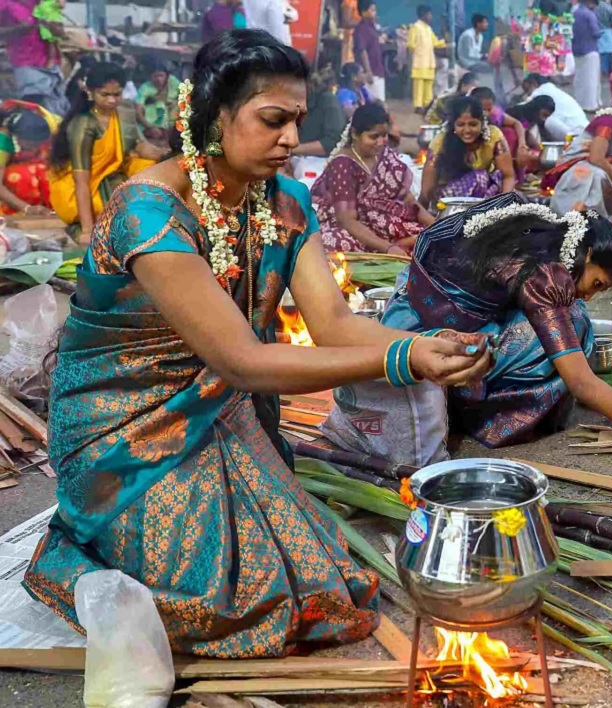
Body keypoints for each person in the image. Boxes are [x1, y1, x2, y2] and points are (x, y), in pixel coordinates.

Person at [22, 29, 495, 658]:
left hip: (221, 408)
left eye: (297, 120)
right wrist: (406, 358)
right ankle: (78, 543)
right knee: (232, 602)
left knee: (324, 589)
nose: (293, 139)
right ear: (213, 115)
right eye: (274, 121)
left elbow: (334, 323)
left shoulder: (285, 201)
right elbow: (242, 362)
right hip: (125, 426)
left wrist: (427, 344)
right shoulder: (147, 215)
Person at [343, 193, 612, 475]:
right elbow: (583, 384)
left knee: (572, 317)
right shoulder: (548, 277)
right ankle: (479, 413)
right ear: (586, 255)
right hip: (427, 341)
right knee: (574, 324)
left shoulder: (539, 222)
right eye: (596, 283)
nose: (590, 294)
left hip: (406, 308)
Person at [48, 63, 163, 240]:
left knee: (152, 169)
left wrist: (169, 155)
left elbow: (140, 145)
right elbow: (81, 180)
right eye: (105, 94)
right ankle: (81, 228)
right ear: (90, 92)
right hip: (84, 186)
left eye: (117, 94)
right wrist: (87, 231)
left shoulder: (125, 111)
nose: (111, 100)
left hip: (115, 176)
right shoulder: (83, 123)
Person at [313, 104, 433, 255]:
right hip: (350, 228)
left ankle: (403, 243)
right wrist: (388, 248)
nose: (381, 142)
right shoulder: (343, 165)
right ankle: (398, 245)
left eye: (384, 135)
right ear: (355, 134)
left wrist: (437, 225)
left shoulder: (384, 156)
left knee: (431, 238)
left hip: (384, 223)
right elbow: (347, 220)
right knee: (334, 243)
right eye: (374, 136)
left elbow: (409, 200)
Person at [544, 85, 612, 221]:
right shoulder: (608, 121)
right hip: (581, 163)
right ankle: (585, 217)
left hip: (605, 163)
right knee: (596, 175)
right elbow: (596, 158)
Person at [420, 96, 515, 204]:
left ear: (482, 123)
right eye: (460, 125)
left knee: (494, 179)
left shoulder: (494, 136)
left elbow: (508, 176)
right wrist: (421, 210)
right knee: (480, 177)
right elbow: (427, 189)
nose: (467, 130)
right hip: (449, 199)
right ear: (454, 126)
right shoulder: (440, 141)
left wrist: (504, 204)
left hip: (483, 197)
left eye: (473, 124)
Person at [0, 0, 69, 114]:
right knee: (35, 111)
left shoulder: (42, 2)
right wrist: (19, 29)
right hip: (27, 65)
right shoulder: (5, 3)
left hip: (52, 66)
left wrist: (55, 29)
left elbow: (60, 31)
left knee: (58, 112)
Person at [0, 102, 53, 215]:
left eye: (38, 142)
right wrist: (27, 208)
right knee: (21, 174)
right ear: (18, 137)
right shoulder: (2, 142)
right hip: (10, 203)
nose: (34, 146)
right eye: (30, 143)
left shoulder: (51, 125)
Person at [527, 73, 589, 140]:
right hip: (585, 128)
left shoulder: (539, 91)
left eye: (527, 90)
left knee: (547, 120)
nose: (527, 93)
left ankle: (573, 140)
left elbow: (524, 108)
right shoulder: (554, 90)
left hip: (574, 132)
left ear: (533, 83)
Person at [408, 5, 445, 111]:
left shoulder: (429, 29)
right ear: (423, 15)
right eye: (429, 14)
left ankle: (427, 105)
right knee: (419, 85)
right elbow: (411, 44)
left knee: (428, 86)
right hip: (419, 62)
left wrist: (444, 42)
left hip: (429, 62)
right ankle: (418, 106)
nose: (431, 16)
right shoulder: (415, 27)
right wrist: (417, 52)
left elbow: (435, 42)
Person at [135, 61, 181, 147]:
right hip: (154, 121)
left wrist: (175, 102)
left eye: (161, 76)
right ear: (150, 77)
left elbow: (187, 95)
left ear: (166, 76)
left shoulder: (173, 82)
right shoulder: (145, 88)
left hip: (172, 119)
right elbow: (138, 112)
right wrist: (150, 127)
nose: (159, 79)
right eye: (155, 76)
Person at [573, 0, 604, 112]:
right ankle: (591, 105)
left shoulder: (574, 13)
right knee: (591, 78)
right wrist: (602, 32)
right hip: (590, 49)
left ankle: (579, 103)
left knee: (579, 78)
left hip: (576, 49)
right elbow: (595, 32)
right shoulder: (590, 15)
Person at [353, 0, 386, 102]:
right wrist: (368, 71)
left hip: (377, 70)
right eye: (372, 10)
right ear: (363, 12)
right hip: (371, 73)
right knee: (377, 103)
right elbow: (362, 51)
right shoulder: (362, 29)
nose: (375, 13)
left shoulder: (372, 27)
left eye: (375, 10)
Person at [598, 0, 612, 73]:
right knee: (611, 56)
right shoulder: (609, 8)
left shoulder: (594, 7)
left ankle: (602, 71)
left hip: (597, 34)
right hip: (608, 34)